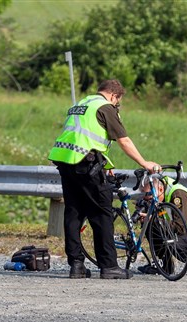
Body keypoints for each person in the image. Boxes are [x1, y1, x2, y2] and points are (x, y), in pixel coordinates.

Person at [48, 79, 161, 280]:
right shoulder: (105, 107)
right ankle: (108, 266)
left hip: (66, 162)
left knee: (74, 213)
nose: (117, 105)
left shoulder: (80, 105)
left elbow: (84, 138)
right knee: (102, 213)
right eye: (118, 101)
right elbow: (123, 140)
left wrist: (106, 166)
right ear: (113, 95)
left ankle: (76, 265)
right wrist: (144, 163)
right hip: (87, 164)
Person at [138, 175, 187, 275]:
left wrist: (155, 220)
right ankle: (165, 266)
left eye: (149, 195)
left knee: (172, 243)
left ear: (160, 188)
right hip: (186, 230)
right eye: (144, 196)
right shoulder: (161, 194)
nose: (147, 199)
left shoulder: (177, 195)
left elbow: (180, 227)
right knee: (150, 225)